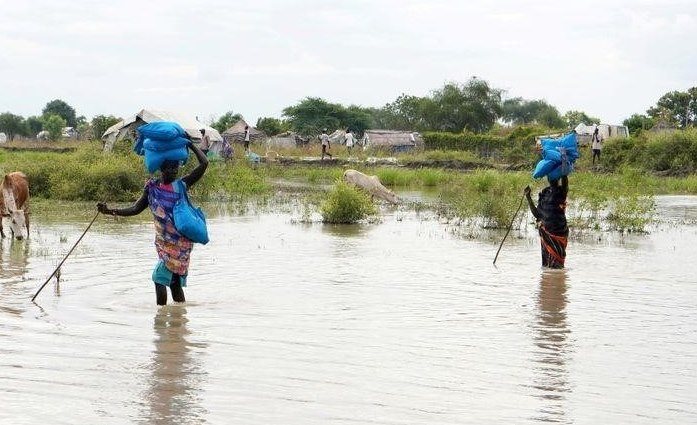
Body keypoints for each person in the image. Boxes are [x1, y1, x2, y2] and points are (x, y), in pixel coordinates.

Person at [97, 139, 209, 306]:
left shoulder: (182, 185)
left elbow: (204, 163)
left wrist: (190, 144)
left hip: (180, 243)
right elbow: (135, 209)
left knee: (158, 278)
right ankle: (179, 322)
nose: (173, 171)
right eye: (169, 167)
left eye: (175, 167)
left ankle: (161, 315)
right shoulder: (152, 188)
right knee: (174, 284)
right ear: (161, 168)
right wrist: (109, 211)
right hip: (164, 243)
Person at [524, 175, 568, 269]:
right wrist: (528, 197)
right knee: (548, 263)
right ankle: (551, 280)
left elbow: (565, 183)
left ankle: (555, 279)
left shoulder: (561, 192)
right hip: (546, 230)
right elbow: (537, 214)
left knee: (557, 260)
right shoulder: (544, 194)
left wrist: (564, 172)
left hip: (559, 230)